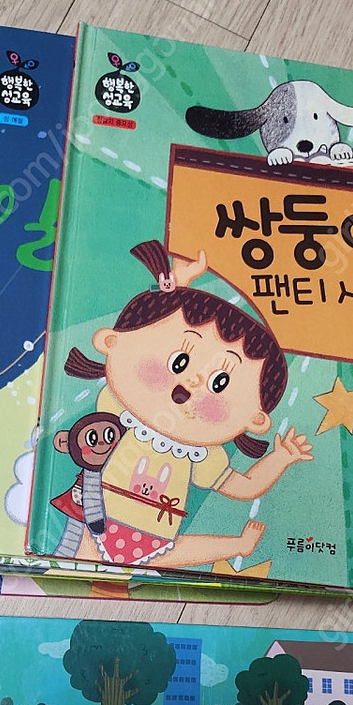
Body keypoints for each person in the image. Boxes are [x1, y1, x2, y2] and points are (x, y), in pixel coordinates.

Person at [61, 240, 312, 569]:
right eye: (178, 362)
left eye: (219, 384)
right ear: (111, 342)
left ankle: (238, 545)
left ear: (256, 419)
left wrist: (281, 459)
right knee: (79, 561)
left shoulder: (203, 455)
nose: (188, 388)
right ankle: (236, 546)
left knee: (176, 551)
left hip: (156, 537)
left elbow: (244, 486)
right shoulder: (118, 411)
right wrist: (176, 284)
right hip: (95, 514)